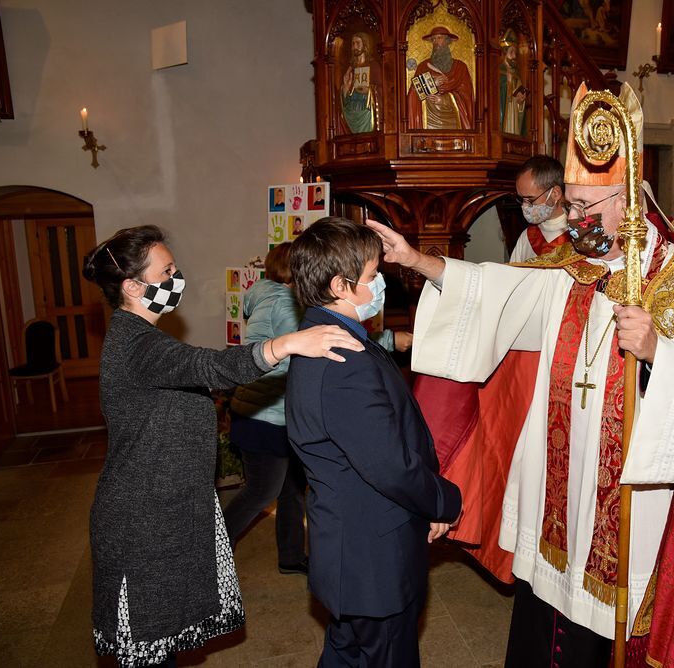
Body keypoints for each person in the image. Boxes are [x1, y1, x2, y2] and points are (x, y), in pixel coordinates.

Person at [369, 81, 674, 666]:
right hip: (559, 487)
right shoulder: (572, 265)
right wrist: (418, 260)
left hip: (625, 494)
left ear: (628, 201)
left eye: (584, 208)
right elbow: (497, 290)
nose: (572, 220)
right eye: (570, 205)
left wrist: (656, 353)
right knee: (544, 617)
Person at [82, 225, 363, 667]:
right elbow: (209, 366)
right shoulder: (135, 343)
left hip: (166, 508)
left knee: (166, 640)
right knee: (150, 645)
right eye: (166, 271)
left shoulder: (142, 336)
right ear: (133, 286)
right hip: (143, 517)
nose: (177, 278)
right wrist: (287, 344)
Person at [284, 217, 462, 667]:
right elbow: (388, 465)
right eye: (372, 274)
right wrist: (442, 500)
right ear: (340, 286)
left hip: (357, 549)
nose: (381, 282)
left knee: (346, 654)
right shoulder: (342, 358)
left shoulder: (330, 339)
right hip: (372, 555)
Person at [222, 243, 309, 575]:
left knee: (291, 490)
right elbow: (306, 349)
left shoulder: (266, 297)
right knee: (261, 492)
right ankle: (210, 553)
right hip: (266, 417)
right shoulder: (283, 303)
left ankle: (291, 556)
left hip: (272, 413)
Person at [406, 25, 474, 130]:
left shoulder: (460, 67)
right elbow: (413, 93)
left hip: (453, 121)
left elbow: (467, 96)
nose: (436, 42)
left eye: (439, 38)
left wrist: (445, 100)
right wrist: (432, 83)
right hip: (428, 121)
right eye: (433, 39)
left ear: (447, 41)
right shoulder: (423, 66)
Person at [509, 155, 569, 262]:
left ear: (555, 193)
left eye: (530, 199)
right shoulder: (527, 237)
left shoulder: (578, 236)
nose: (524, 206)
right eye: (521, 199)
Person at [339, 32, 381, 134]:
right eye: (353, 44)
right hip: (351, 109)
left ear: (365, 45)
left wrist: (369, 91)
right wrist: (345, 88)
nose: (355, 47)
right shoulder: (351, 68)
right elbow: (346, 97)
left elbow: (381, 89)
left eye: (358, 43)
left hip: (366, 109)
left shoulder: (373, 66)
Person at [498, 30, 526, 136]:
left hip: (514, 120)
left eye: (515, 53)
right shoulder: (499, 72)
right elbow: (497, 97)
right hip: (504, 120)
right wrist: (508, 83)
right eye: (511, 52)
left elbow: (519, 103)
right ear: (504, 53)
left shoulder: (516, 75)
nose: (514, 56)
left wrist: (520, 102)